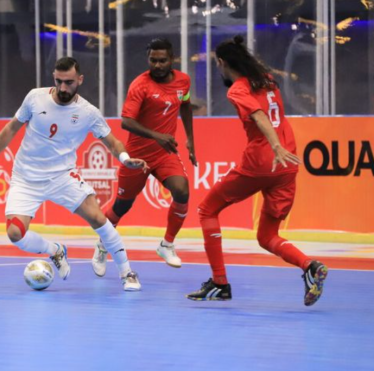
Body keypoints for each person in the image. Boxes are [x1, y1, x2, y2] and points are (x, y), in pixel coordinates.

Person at [0, 57, 148, 291]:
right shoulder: (35, 98)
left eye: (69, 82)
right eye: (59, 82)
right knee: (15, 233)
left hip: (62, 177)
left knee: (98, 218)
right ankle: (55, 250)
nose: (63, 88)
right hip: (26, 177)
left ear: (80, 79)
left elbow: (113, 142)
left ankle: (127, 272)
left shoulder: (88, 112)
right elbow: (11, 128)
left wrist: (125, 159)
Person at [186, 35, 328, 306]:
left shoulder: (237, 89)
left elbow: (259, 116)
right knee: (267, 236)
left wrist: (274, 145)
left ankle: (219, 282)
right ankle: (310, 267)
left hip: (265, 159)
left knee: (207, 210)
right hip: (287, 163)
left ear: (221, 63)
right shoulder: (268, 80)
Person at [91, 38, 196, 277]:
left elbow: (186, 105)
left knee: (182, 190)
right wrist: (157, 135)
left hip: (164, 154)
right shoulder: (140, 85)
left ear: (172, 59)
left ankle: (167, 244)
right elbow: (126, 122)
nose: (157, 65)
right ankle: (101, 245)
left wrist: (190, 139)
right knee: (121, 207)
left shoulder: (183, 81)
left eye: (162, 60)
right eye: (153, 60)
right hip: (137, 157)